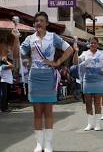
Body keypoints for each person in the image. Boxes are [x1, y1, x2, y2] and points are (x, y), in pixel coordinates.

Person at [14, 11, 73, 152]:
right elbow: (17, 55)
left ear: (46, 23)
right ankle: (39, 144)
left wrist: (57, 62)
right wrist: (16, 39)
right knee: (37, 112)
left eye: (41, 20)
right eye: (36, 21)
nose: (38, 23)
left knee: (48, 112)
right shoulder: (29, 39)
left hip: (48, 77)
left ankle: (48, 144)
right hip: (34, 77)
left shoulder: (53, 37)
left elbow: (69, 49)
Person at [73, 37, 103, 131]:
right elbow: (75, 62)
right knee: (88, 102)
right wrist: (75, 51)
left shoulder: (102, 54)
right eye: (91, 43)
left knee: (97, 102)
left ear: (97, 44)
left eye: (95, 43)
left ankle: (97, 124)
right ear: (89, 44)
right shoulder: (85, 54)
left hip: (98, 80)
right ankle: (90, 124)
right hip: (87, 80)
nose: (93, 45)